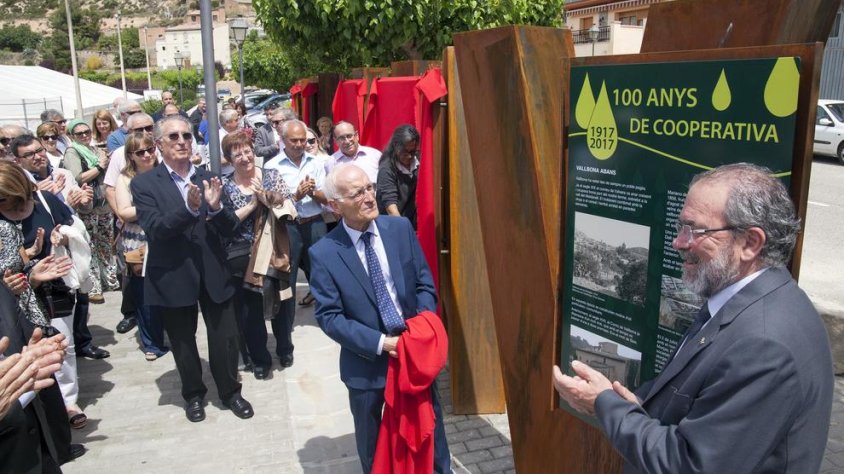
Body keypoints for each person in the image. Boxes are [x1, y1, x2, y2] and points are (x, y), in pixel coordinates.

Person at [553, 163, 834, 473]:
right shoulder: (741, 298)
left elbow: (691, 464)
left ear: (751, 243)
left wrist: (604, 403)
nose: (679, 242)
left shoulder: (764, 345)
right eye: (680, 227)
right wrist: (624, 401)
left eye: (695, 230)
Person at [308, 163, 451, 473]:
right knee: (374, 448)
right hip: (368, 363)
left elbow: (425, 284)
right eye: (357, 193)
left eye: (369, 187)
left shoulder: (398, 229)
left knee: (430, 432)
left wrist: (422, 329)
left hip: (413, 354)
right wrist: (382, 344)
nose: (369, 197)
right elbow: (330, 317)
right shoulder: (324, 253)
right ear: (335, 205)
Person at [131, 115, 253, 422]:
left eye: (187, 135)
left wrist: (214, 207)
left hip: (213, 271)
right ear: (159, 144)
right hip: (173, 274)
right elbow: (156, 228)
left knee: (225, 338)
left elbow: (229, 228)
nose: (182, 141)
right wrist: (189, 209)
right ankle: (194, 394)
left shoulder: (209, 177)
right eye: (174, 136)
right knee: (183, 341)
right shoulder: (144, 184)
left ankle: (230, 392)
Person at [0, 160, 92, 431]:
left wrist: (62, 238)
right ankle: (42, 416)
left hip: (56, 287)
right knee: (25, 353)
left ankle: (67, 402)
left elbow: (74, 227)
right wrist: (29, 264)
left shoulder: (45, 200)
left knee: (61, 346)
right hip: (17, 299)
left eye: (5, 197)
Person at [220, 131, 292, 379]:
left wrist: (266, 197)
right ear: (229, 159)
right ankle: (260, 358)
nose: (244, 157)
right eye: (237, 153)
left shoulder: (271, 175)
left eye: (247, 150)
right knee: (250, 312)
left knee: (281, 303)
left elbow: (288, 205)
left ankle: (285, 349)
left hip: (274, 250)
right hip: (243, 256)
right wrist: (253, 203)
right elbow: (227, 222)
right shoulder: (226, 185)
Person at [264, 119, 327, 368]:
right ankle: (284, 345)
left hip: (315, 223)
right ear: (283, 141)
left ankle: (333, 325)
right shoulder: (272, 166)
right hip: (287, 228)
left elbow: (327, 198)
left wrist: (312, 193)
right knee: (285, 286)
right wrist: (296, 195)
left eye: (304, 140)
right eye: (295, 140)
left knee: (323, 277)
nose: (300, 144)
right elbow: (272, 202)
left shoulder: (317, 163)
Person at [114, 133, 168, 361]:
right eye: (140, 152)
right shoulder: (125, 178)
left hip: (165, 237)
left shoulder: (165, 172)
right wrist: (150, 208)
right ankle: (151, 344)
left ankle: (168, 334)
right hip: (139, 243)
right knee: (145, 294)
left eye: (150, 149)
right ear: (131, 156)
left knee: (167, 290)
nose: (147, 155)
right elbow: (124, 211)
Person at [63, 119, 119, 304]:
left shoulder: (95, 150)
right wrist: (100, 166)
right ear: (72, 136)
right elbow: (78, 177)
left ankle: (110, 280)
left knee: (105, 243)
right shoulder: (72, 152)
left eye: (87, 132)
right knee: (90, 245)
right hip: (87, 207)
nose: (85, 135)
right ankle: (94, 286)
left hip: (103, 204)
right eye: (79, 134)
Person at [377, 124, 420, 229]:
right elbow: (391, 207)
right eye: (405, 152)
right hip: (392, 225)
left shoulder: (418, 160)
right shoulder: (387, 169)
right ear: (396, 146)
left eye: (412, 152)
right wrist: (403, 230)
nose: (410, 156)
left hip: (413, 222)